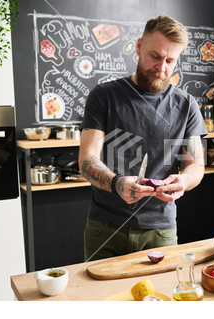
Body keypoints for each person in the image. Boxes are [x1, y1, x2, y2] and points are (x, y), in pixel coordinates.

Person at [79, 15, 207, 261]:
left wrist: (184, 181)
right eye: (155, 57)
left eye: (170, 61)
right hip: (105, 228)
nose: (162, 69)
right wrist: (117, 183)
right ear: (139, 47)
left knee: (160, 297)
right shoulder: (103, 96)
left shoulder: (187, 105)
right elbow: (87, 158)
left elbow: (195, 165)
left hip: (160, 230)